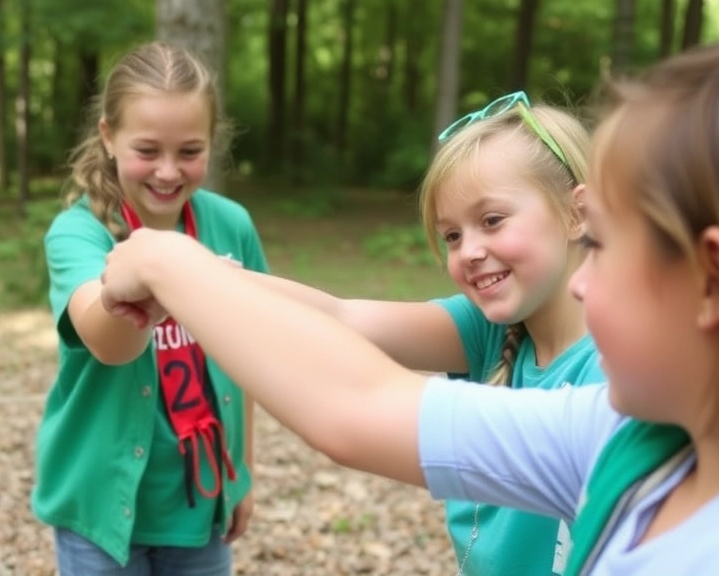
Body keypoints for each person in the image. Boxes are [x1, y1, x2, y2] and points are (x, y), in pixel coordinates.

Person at [100, 30, 719, 575]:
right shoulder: (630, 441)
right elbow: (350, 384)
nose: (583, 281)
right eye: (451, 234)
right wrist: (187, 272)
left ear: (714, 281)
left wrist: (170, 263)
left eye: (602, 245)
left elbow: (352, 400)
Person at [242, 91, 602, 576]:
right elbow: (341, 317)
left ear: (577, 213)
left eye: (491, 221)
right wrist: (201, 279)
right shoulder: (486, 331)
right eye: (452, 235)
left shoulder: (620, 369)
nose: (469, 250)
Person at [32, 42, 268, 575]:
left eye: (189, 151)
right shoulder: (79, 232)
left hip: (199, 504)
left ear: (212, 142)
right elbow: (111, 344)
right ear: (108, 136)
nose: (167, 172)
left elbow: (249, 363)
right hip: (100, 511)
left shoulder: (232, 226)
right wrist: (139, 282)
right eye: (147, 150)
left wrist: (243, 476)